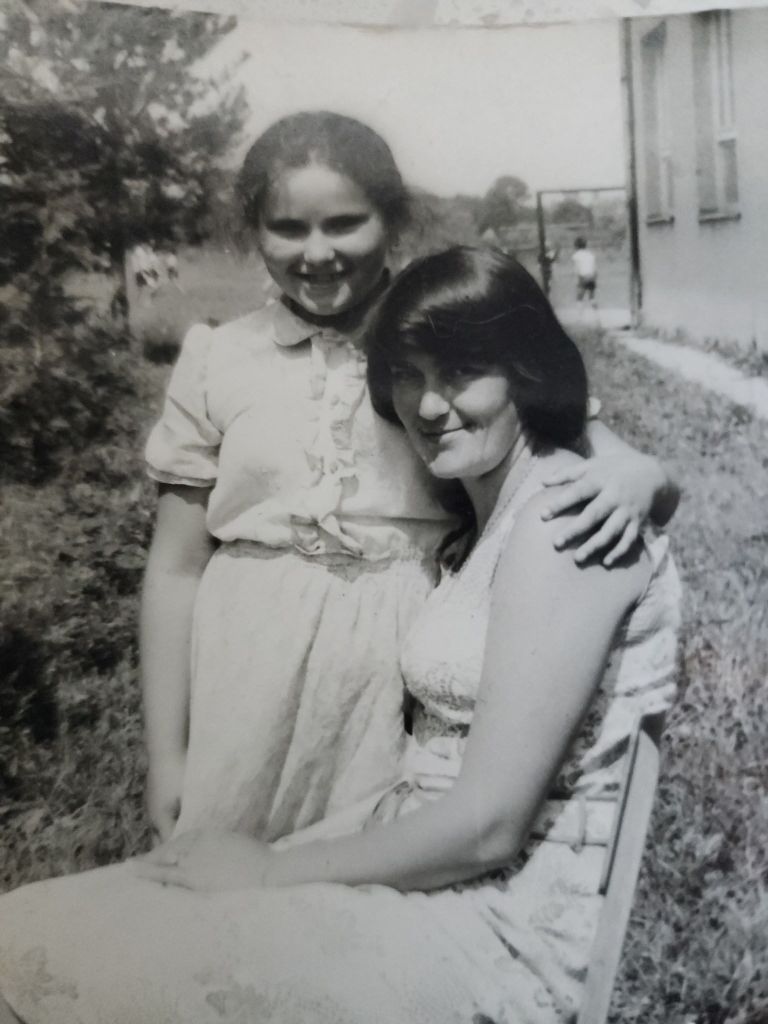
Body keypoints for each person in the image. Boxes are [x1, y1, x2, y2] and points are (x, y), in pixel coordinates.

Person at [0, 247, 680, 1024]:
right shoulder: (489, 505)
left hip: (494, 932)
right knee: (40, 925)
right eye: (406, 374)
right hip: (420, 871)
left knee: (36, 953)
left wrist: (268, 873)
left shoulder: (563, 520)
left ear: (526, 370)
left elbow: (490, 827)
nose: (427, 406)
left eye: (458, 373)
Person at [141, 111, 678, 848]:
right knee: (211, 897)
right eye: (288, 228)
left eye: (345, 223)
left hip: (392, 667)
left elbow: (579, 434)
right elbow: (174, 569)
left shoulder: (442, 333)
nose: (318, 252)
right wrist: (167, 756)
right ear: (253, 230)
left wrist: (640, 474)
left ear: (390, 221)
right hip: (246, 662)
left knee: (352, 887)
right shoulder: (218, 356)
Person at [572, 235, 598, 308]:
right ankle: (597, 316)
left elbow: (577, 269)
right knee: (592, 298)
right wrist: (594, 277)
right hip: (591, 276)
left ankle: (579, 317)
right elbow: (594, 268)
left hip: (583, 277)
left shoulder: (576, 255)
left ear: (576, 246)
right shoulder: (590, 254)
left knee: (579, 298)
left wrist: (577, 280)